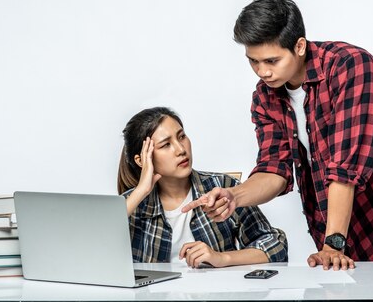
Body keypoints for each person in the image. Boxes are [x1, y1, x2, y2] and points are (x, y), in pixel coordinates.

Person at [183, 0, 373, 271]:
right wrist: (235, 197)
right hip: (332, 215)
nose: (263, 72)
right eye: (253, 61)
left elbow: (345, 168)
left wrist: (333, 244)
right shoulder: (265, 98)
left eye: (272, 60)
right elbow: (274, 169)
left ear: (299, 46)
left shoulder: (351, 67)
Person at [118, 106, 288, 268]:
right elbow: (95, 252)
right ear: (141, 159)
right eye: (166, 144)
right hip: (151, 299)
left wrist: (222, 258)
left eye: (181, 136)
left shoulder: (221, 188)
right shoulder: (131, 204)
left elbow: (276, 244)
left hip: (217, 296)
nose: (180, 149)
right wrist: (141, 190)